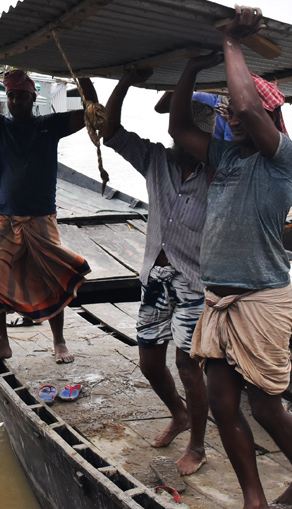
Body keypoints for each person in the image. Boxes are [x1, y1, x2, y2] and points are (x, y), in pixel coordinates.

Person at [168, 6, 292, 509]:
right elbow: (177, 131)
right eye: (226, 116)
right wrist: (192, 68)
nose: (231, 119)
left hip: (260, 299)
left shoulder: (282, 159)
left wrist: (232, 42)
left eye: (237, 113)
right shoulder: (226, 155)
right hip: (218, 301)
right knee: (222, 403)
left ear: (270, 116)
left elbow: (251, 110)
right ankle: (253, 498)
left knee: (266, 405)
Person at [86, 67, 214, 477]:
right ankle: (179, 414)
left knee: (189, 367)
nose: (180, 138)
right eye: (179, 131)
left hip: (194, 282)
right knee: (148, 361)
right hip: (155, 279)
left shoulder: (219, 174)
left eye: (189, 132)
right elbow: (112, 131)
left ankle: (198, 444)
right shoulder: (157, 160)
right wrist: (125, 80)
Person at [0, 63, 96, 369]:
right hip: (4, 217)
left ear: (33, 99)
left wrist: (81, 72)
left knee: (52, 278)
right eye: (11, 96)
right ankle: (2, 345)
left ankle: (58, 340)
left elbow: (91, 113)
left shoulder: (49, 125)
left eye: (21, 95)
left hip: (41, 217)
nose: (15, 101)